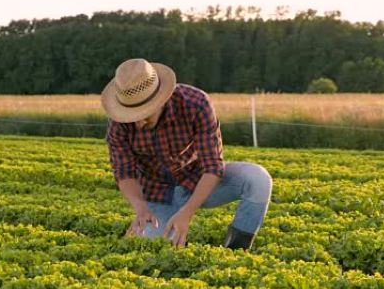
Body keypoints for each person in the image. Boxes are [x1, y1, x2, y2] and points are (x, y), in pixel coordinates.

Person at [101, 58, 272, 250]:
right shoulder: (119, 122)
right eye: (132, 116)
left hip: (196, 180)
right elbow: (124, 173)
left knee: (257, 179)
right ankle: (161, 225)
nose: (138, 124)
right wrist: (140, 207)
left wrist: (187, 212)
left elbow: (212, 166)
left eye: (144, 115)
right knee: (153, 248)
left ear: (160, 100)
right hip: (157, 193)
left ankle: (236, 249)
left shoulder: (195, 103)